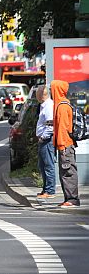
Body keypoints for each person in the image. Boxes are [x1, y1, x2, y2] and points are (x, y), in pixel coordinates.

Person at [51, 80, 79, 208]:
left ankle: (72, 199)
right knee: (65, 172)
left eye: (53, 89)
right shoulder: (62, 104)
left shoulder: (62, 106)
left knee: (68, 172)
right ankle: (69, 198)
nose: (51, 91)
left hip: (65, 145)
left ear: (57, 90)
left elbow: (63, 128)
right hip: (66, 145)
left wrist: (61, 146)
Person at [35, 85, 55, 198]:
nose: (36, 96)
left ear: (42, 95)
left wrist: (43, 137)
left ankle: (50, 190)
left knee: (48, 165)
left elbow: (50, 125)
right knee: (42, 165)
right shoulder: (44, 106)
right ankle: (45, 189)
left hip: (46, 140)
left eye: (37, 93)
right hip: (43, 139)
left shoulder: (48, 106)